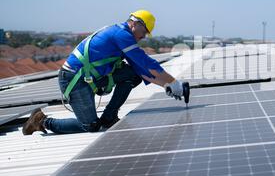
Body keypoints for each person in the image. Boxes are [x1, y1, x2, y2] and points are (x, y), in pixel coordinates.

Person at [23, 10, 186, 135]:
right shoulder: (121, 34)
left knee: (132, 74)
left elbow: (139, 69)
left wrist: (166, 86)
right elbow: (146, 62)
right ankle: (42, 121)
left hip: (90, 78)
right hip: (74, 79)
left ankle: (109, 117)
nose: (143, 37)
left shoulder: (122, 35)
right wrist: (173, 83)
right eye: (144, 32)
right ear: (135, 24)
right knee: (90, 127)